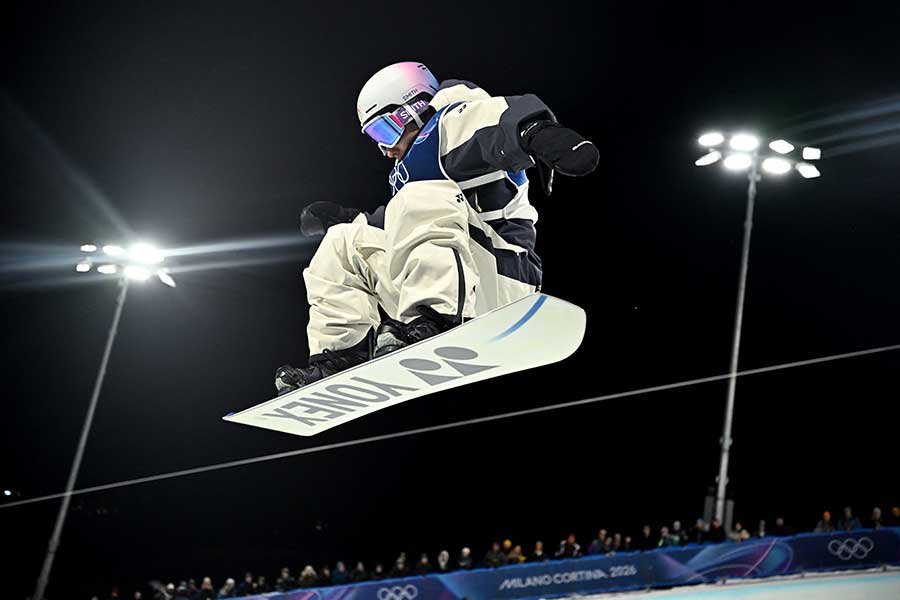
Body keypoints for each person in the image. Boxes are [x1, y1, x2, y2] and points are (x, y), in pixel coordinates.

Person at [275, 62, 599, 393]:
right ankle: (341, 356)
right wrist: (345, 219)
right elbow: (404, 228)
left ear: (412, 109)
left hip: (501, 282)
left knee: (419, 196)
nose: (385, 149)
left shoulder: (449, 123)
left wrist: (538, 134)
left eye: (385, 131)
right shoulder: (413, 172)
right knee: (342, 242)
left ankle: (436, 318)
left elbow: (497, 121)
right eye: (374, 138)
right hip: (451, 281)